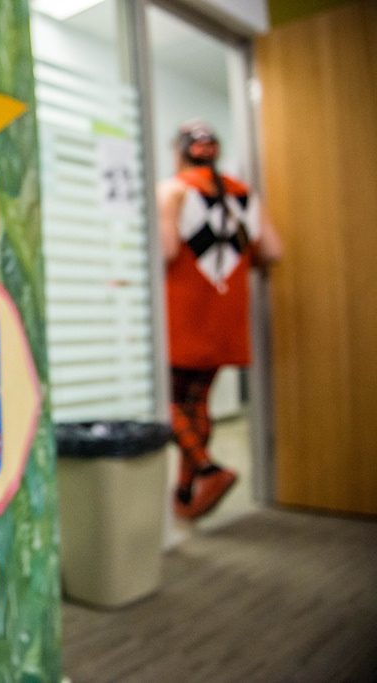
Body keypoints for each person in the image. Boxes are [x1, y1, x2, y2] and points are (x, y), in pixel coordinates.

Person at [156, 119, 282, 520]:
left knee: (167, 402)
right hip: (224, 315)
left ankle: (209, 470)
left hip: (182, 312)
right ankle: (185, 491)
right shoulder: (242, 195)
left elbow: (166, 250)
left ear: (179, 152)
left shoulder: (173, 190)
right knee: (197, 403)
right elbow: (272, 251)